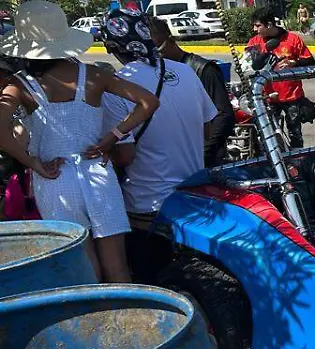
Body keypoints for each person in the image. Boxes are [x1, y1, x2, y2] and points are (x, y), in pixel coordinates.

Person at [0, 1, 158, 282]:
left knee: (85, 268)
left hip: (54, 178)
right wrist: (113, 136)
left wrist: (34, 164)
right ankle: (127, 316)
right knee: (117, 267)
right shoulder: (94, 74)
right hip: (98, 170)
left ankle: (96, 321)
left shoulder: (19, 85)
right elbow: (148, 101)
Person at [98, 7, 216, 278]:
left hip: (147, 209)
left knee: (154, 285)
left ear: (112, 47)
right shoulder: (184, 72)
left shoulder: (118, 86)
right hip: (194, 196)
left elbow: (125, 156)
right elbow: (206, 129)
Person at [147, 16, 234, 167]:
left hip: (203, 160)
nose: (158, 57)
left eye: (160, 50)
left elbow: (224, 115)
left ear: (171, 40)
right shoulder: (154, 72)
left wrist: (203, 153)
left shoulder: (203, 69)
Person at [248, 7, 315, 149]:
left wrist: (294, 63)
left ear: (269, 25)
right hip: (267, 98)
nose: (255, 29)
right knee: (268, 138)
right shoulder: (254, 42)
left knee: (295, 136)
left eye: (258, 25)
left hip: (292, 97)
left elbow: (310, 62)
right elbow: (250, 67)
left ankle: (298, 164)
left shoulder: (293, 39)